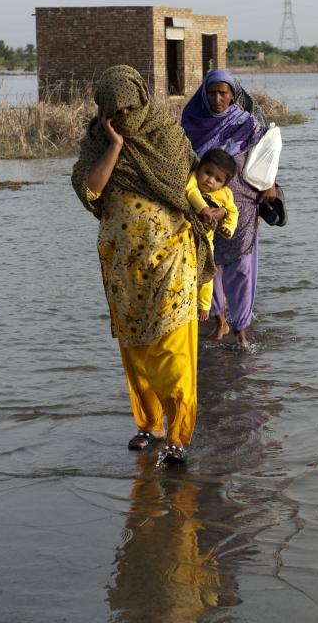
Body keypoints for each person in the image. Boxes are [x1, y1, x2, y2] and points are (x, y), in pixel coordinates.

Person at [71, 65, 214, 465]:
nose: (125, 117)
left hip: (172, 258)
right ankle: (149, 424)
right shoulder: (96, 143)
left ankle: (179, 434)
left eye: (130, 108)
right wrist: (114, 146)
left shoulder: (167, 135)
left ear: (142, 100)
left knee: (171, 348)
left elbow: (185, 186)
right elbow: (91, 190)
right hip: (122, 266)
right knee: (136, 348)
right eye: (115, 112)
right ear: (103, 111)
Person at [181, 69, 277, 349]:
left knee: (242, 268)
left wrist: (270, 184)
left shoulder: (246, 124)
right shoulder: (190, 122)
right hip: (202, 207)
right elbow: (182, 164)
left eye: (223, 93)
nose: (217, 98)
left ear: (234, 96)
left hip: (242, 207)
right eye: (212, 92)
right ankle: (219, 319)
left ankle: (241, 328)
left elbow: (265, 159)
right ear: (204, 93)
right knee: (206, 263)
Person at [185, 148, 239, 322]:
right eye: (207, 173)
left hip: (207, 239)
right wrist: (204, 208)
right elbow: (190, 192)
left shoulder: (225, 194)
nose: (210, 181)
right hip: (186, 236)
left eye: (218, 179)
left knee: (207, 273)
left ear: (224, 184)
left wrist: (228, 228)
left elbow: (233, 212)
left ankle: (205, 306)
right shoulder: (192, 179)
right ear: (199, 168)